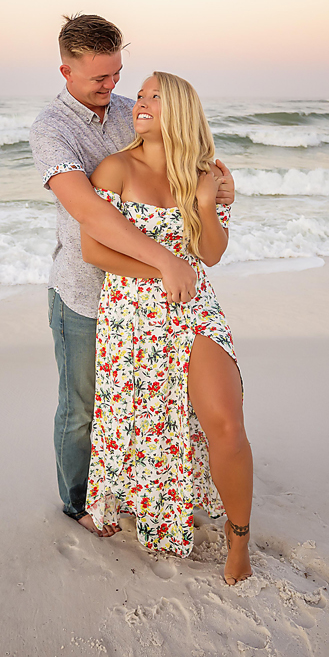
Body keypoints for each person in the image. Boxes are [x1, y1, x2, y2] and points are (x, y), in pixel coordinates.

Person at [29, 15, 235, 540]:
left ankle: (150, 489)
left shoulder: (131, 110)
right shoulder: (52, 130)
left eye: (117, 73)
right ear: (66, 71)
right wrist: (165, 263)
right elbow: (92, 217)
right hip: (85, 291)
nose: (112, 87)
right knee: (83, 409)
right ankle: (80, 502)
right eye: (100, 78)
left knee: (145, 405)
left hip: (148, 303)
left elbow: (187, 153)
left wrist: (222, 187)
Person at [81, 71, 253, 585]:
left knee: (224, 420)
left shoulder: (203, 172)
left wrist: (205, 201)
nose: (141, 101)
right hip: (132, 312)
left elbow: (211, 255)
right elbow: (95, 250)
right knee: (141, 422)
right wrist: (162, 268)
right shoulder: (114, 169)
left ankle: (239, 537)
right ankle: (140, 503)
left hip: (194, 308)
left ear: (178, 110)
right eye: (141, 94)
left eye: (156, 95)